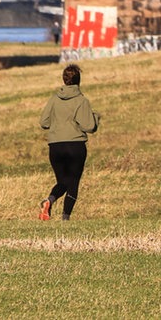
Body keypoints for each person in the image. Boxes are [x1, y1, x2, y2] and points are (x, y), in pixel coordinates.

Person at [38, 63, 99, 221]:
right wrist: (95, 117)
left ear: (64, 80)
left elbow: (44, 122)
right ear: (79, 80)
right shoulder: (81, 100)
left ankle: (49, 200)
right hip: (75, 146)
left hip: (55, 146)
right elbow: (89, 126)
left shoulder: (54, 99)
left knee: (63, 182)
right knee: (73, 182)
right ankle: (65, 218)